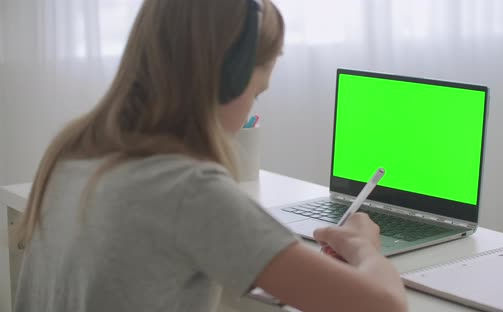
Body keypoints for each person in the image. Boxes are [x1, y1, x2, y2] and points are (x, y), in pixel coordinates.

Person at [14, 0, 408, 311]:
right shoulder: (190, 191)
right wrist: (361, 244)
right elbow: (386, 306)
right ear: (227, 78)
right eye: (256, 93)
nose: (253, 106)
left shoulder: (75, 153)